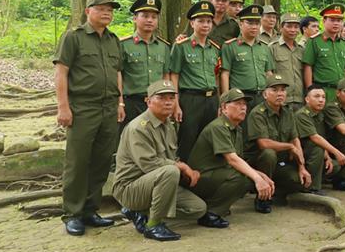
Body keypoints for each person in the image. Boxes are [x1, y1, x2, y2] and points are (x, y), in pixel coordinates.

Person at [55, 0, 124, 236]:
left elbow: (117, 73)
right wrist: (63, 107)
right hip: (82, 108)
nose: (107, 12)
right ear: (88, 11)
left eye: (110, 9)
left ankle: (90, 210)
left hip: (109, 107)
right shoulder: (73, 37)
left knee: (101, 161)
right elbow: (61, 72)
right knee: (78, 161)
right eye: (101, 8)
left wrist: (121, 103)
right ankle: (72, 214)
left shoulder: (113, 40)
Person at [114, 80, 208, 241]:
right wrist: (181, 166)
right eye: (162, 98)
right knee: (171, 171)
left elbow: (171, 157)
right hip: (130, 187)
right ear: (148, 101)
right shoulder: (139, 127)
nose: (168, 102)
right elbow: (149, 164)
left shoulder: (168, 124)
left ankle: (141, 212)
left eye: (172, 98)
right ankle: (153, 225)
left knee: (198, 209)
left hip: (157, 182)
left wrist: (183, 169)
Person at [187, 88, 276, 226]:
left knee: (249, 176)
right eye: (238, 103)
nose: (243, 108)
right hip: (199, 178)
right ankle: (211, 213)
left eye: (244, 104)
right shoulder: (219, 126)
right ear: (223, 107)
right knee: (242, 177)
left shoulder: (236, 128)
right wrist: (257, 178)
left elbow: (238, 159)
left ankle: (217, 207)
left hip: (216, 174)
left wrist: (261, 175)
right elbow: (232, 159)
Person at [244, 75, 312, 212]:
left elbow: (294, 138)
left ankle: (276, 190)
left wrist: (301, 167)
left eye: (282, 90)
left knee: (299, 181)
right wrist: (290, 147)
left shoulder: (288, 111)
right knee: (269, 154)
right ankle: (262, 197)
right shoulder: (257, 113)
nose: (280, 93)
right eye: (274, 90)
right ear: (265, 94)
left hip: (280, 162)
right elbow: (264, 144)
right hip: (258, 163)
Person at [169, 1, 221, 162]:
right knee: (187, 138)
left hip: (211, 99)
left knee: (209, 138)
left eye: (208, 21)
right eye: (200, 21)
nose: (205, 25)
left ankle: (203, 175)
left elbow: (216, 76)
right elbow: (174, 76)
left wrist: (218, 102)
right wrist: (175, 104)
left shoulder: (215, 48)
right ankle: (183, 177)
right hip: (190, 99)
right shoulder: (181, 46)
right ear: (192, 23)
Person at [119, 0, 170, 128]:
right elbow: (118, 75)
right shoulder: (123, 44)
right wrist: (119, 103)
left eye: (154, 17)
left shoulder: (163, 46)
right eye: (145, 16)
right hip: (132, 103)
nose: (149, 20)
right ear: (135, 19)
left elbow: (166, 76)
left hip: (157, 103)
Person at [292, 86, 345, 192]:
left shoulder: (320, 114)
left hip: (313, 152)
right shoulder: (302, 115)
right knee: (317, 148)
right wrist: (336, 152)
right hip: (299, 155)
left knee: (335, 166)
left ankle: (313, 179)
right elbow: (315, 138)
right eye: (317, 96)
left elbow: (321, 137)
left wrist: (327, 157)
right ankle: (312, 188)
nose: (321, 100)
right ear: (307, 99)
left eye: (323, 97)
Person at [220, 4, 275, 107]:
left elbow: (268, 73)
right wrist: (226, 99)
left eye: (257, 23)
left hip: (262, 97)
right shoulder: (230, 46)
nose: (254, 27)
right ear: (241, 24)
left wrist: (272, 94)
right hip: (240, 97)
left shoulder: (264, 47)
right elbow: (225, 74)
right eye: (249, 23)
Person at [302, 4, 345, 102]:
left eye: (339, 21)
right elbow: (308, 66)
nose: (336, 23)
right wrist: (310, 91)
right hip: (323, 92)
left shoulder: (344, 43)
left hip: (342, 92)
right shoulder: (315, 41)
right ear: (324, 21)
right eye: (332, 20)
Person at [270, 13, 306, 110]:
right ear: (281, 27)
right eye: (289, 26)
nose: (293, 30)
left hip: (300, 99)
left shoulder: (302, 49)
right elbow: (269, 73)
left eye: (296, 27)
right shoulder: (272, 48)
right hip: (281, 100)